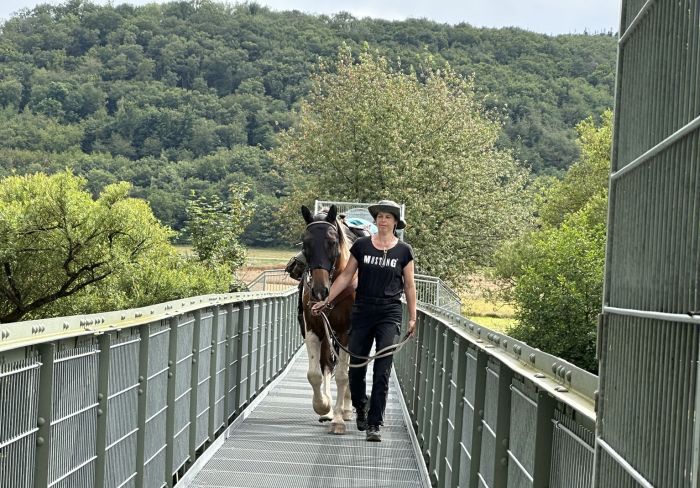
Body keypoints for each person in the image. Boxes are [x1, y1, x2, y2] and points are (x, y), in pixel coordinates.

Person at [312, 199, 417, 442]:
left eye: (388, 217)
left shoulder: (404, 251)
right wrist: (326, 301)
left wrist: (413, 317)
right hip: (362, 312)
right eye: (380, 216)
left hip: (389, 313)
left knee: (382, 371)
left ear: (395, 222)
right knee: (356, 370)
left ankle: (374, 424)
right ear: (376, 220)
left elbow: (410, 286)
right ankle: (361, 405)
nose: (383, 220)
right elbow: (347, 276)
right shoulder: (361, 246)